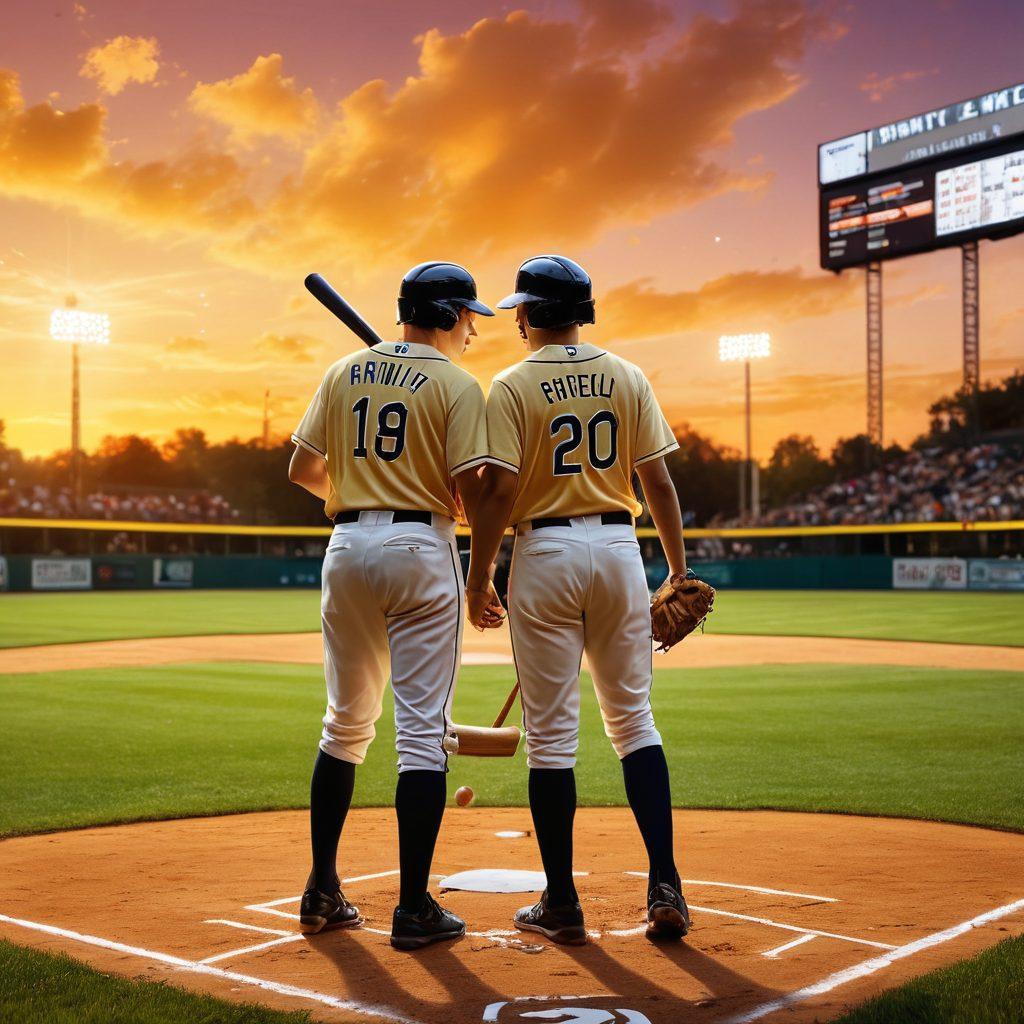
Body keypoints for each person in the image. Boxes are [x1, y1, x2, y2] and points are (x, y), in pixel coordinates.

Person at [465, 255, 691, 944]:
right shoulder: (626, 374)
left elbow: (499, 492)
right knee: (634, 724)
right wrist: (677, 571)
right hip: (620, 551)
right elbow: (657, 482)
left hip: (546, 553)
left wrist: (479, 577)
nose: (514, 319)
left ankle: (561, 900)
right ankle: (666, 883)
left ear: (531, 312)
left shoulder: (509, 385)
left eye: (519, 309)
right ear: (583, 312)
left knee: (553, 740)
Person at [288, 261, 503, 951]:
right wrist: (446, 491)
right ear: (444, 315)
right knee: (420, 736)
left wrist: (368, 477)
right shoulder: (456, 384)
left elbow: (303, 470)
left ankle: (321, 888)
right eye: (468, 315)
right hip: (420, 547)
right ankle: (413, 908)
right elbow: (476, 484)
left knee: (345, 725)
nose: (472, 329)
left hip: (346, 546)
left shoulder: (346, 370)